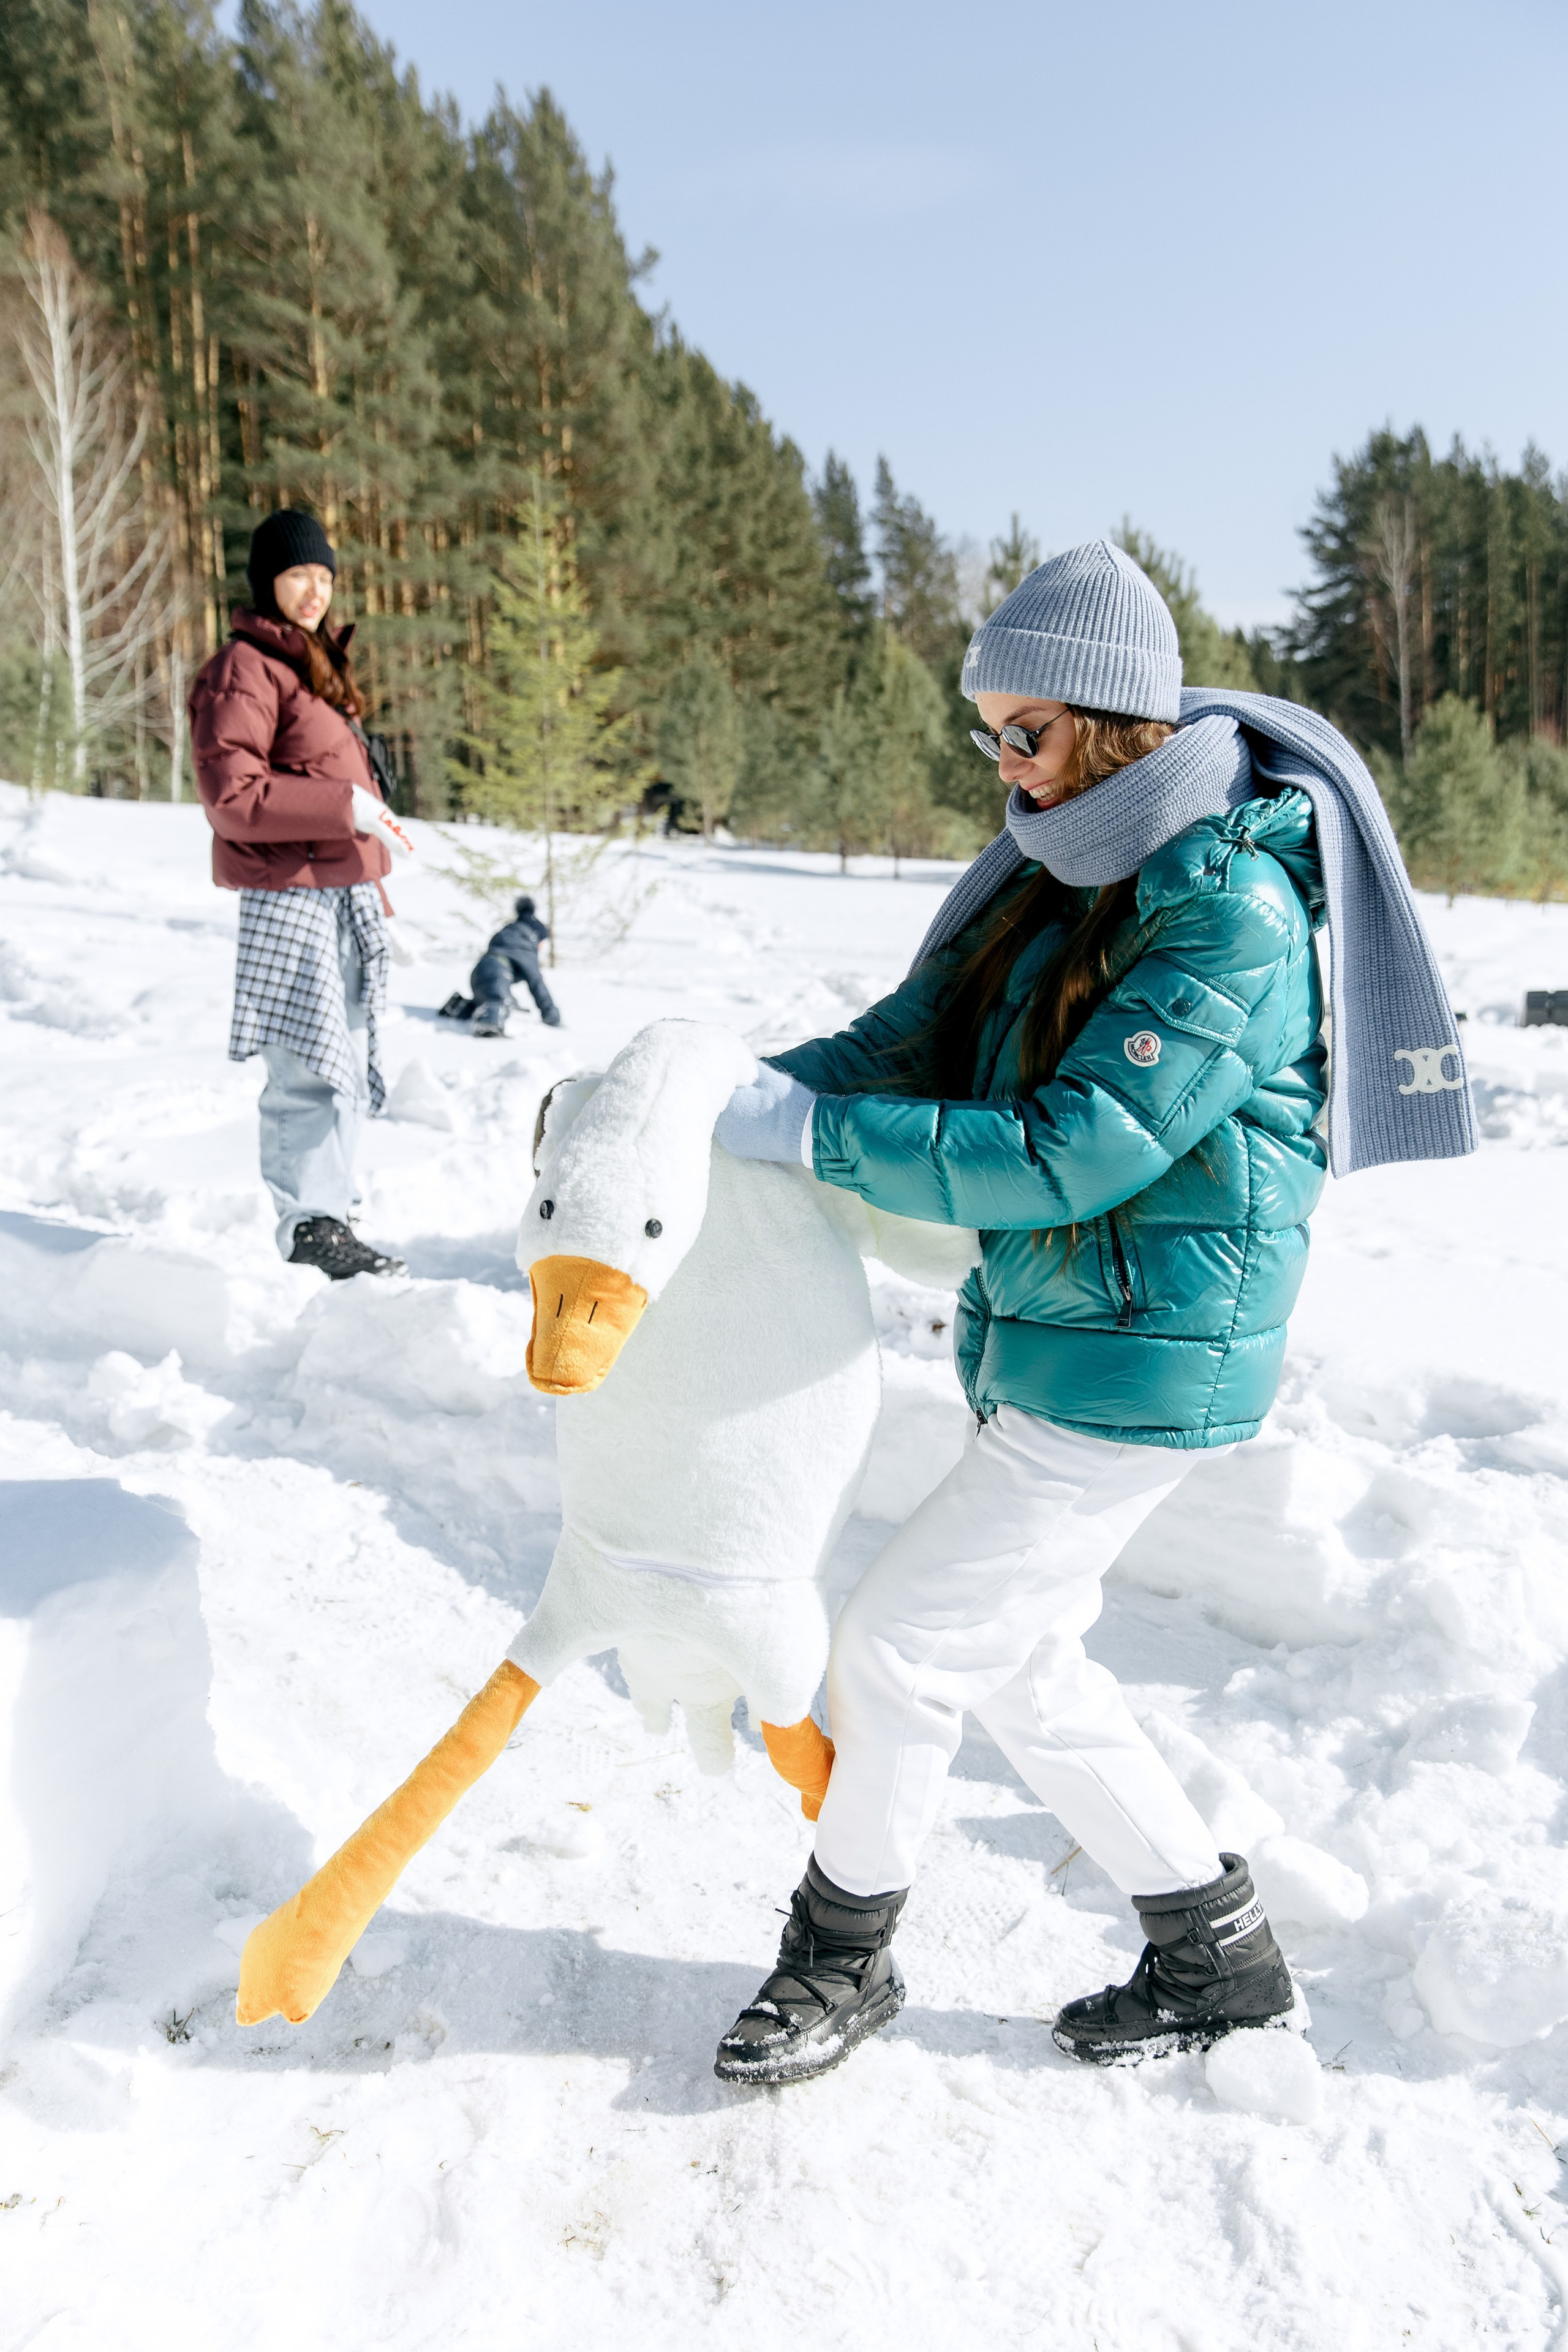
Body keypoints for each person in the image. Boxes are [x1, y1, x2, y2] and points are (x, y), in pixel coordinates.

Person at [707, 539, 1474, 2086]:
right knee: (1023, 1664)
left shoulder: (1229, 912)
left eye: (1027, 729)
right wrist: (722, 1098)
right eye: (983, 728)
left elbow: (1072, 1151)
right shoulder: (1055, 876)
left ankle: (836, 1959)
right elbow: (908, 1037)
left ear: (1117, 721)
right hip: (1069, 1332)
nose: (1000, 764)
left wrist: (809, 1142)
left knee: (901, 1651)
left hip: (1141, 1355)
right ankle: (1216, 1952)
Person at [189, 510, 417, 1280]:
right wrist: (341, 806)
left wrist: (376, 882)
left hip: (343, 893)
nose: (315, 591)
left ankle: (334, 1208)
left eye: (324, 577)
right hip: (289, 896)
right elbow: (232, 797)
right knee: (307, 1065)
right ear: (267, 583)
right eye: (298, 576)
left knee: (344, 1058)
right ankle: (310, 1224)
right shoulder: (243, 669)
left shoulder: (310, 666)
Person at [469, 895, 561, 1035]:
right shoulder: (526, 948)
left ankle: (462, 1010)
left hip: (479, 971)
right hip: (498, 972)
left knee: (489, 999)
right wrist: (553, 1018)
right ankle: (488, 1029)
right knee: (500, 1001)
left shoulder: (507, 933)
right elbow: (537, 985)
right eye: (542, 942)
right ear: (536, 937)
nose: (541, 947)